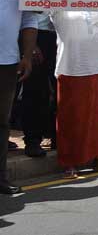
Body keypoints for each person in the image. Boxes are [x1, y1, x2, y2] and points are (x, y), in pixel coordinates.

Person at [48, 10, 98, 179]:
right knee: (70, 117)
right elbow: (37, 5)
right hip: (71, 67)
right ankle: (69, 162)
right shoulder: (58, 0)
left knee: (97, 116)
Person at [0, 0, 37, 194]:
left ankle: (0, 180)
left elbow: (29, 19)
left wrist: (26, 56)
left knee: (2, 122)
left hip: (8, 61)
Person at [21, 14, 58, 158]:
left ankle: (58, 136)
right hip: (37, 33)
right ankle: (33, 140)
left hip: (62, 33)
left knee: (61, 89)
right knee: (36, 90)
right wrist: (31, 45)